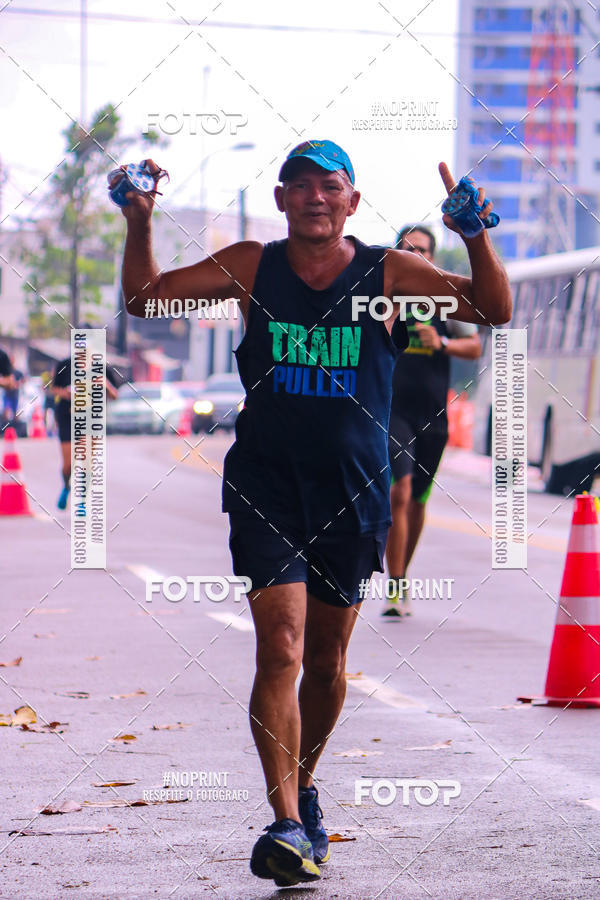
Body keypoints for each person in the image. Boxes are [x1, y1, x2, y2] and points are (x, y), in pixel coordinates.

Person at [114, 142, 511, 888]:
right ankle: (287, 822)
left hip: (354, 490)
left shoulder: (388, 273)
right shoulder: (251, 264)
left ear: (352, 202)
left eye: (330, 187)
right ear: (281, 198)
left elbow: (493, 309)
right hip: (267, 484)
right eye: (301, 187)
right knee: (282, 649)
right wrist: (141, 220)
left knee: (327, 662)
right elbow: (145, 301)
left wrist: (474, 235)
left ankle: (304, 784)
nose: (315, 199)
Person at [382, 225, 482, 618]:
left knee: (419, 500)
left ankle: (403, 575)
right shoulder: (382, 300)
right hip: (392, 411)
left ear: (433, 258)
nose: (415, 255)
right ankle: (394, 585)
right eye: (407, 249)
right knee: (399, 492)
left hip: (433, 417)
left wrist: (440, 343)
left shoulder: (444, 301)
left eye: (422, 250)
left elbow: (474, 346)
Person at [52, 354, 119, 509]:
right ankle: (66, 486)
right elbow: (54, 388)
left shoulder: (101, 367)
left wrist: (106, 385)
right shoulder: (65, 364)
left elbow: (115, 395)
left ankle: (82, 499)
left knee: (87, 461)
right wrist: (66, 393)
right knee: (68, 464)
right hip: (67, 416)